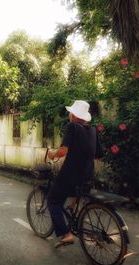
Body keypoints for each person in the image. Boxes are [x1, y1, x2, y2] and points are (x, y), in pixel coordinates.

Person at [47, 100, 99, 248]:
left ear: (75, 115)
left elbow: (63, 151)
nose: (69, 115)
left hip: (70, 175)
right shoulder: (93, 130)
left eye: (71, 112)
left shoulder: (72, 126)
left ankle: (66, 234)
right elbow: (97, 155)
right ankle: (73, 203)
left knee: (53, 201)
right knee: (74, 194)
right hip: (87, 176)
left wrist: (52, 154)